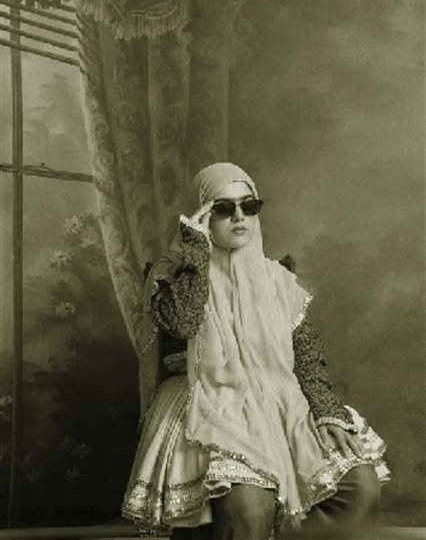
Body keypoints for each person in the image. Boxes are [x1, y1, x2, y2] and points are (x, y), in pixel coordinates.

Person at [122, 163, 390, 539]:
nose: (239, 216)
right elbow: (183, 324)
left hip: (280, 400)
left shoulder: (277, 280)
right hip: (211, 402)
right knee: (249, 506)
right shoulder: (175, 275)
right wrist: (197, 253)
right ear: (200, 216)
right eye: (223, 208)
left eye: (249, 206)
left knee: (359, 486)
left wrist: (326, 412)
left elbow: (306, 357)